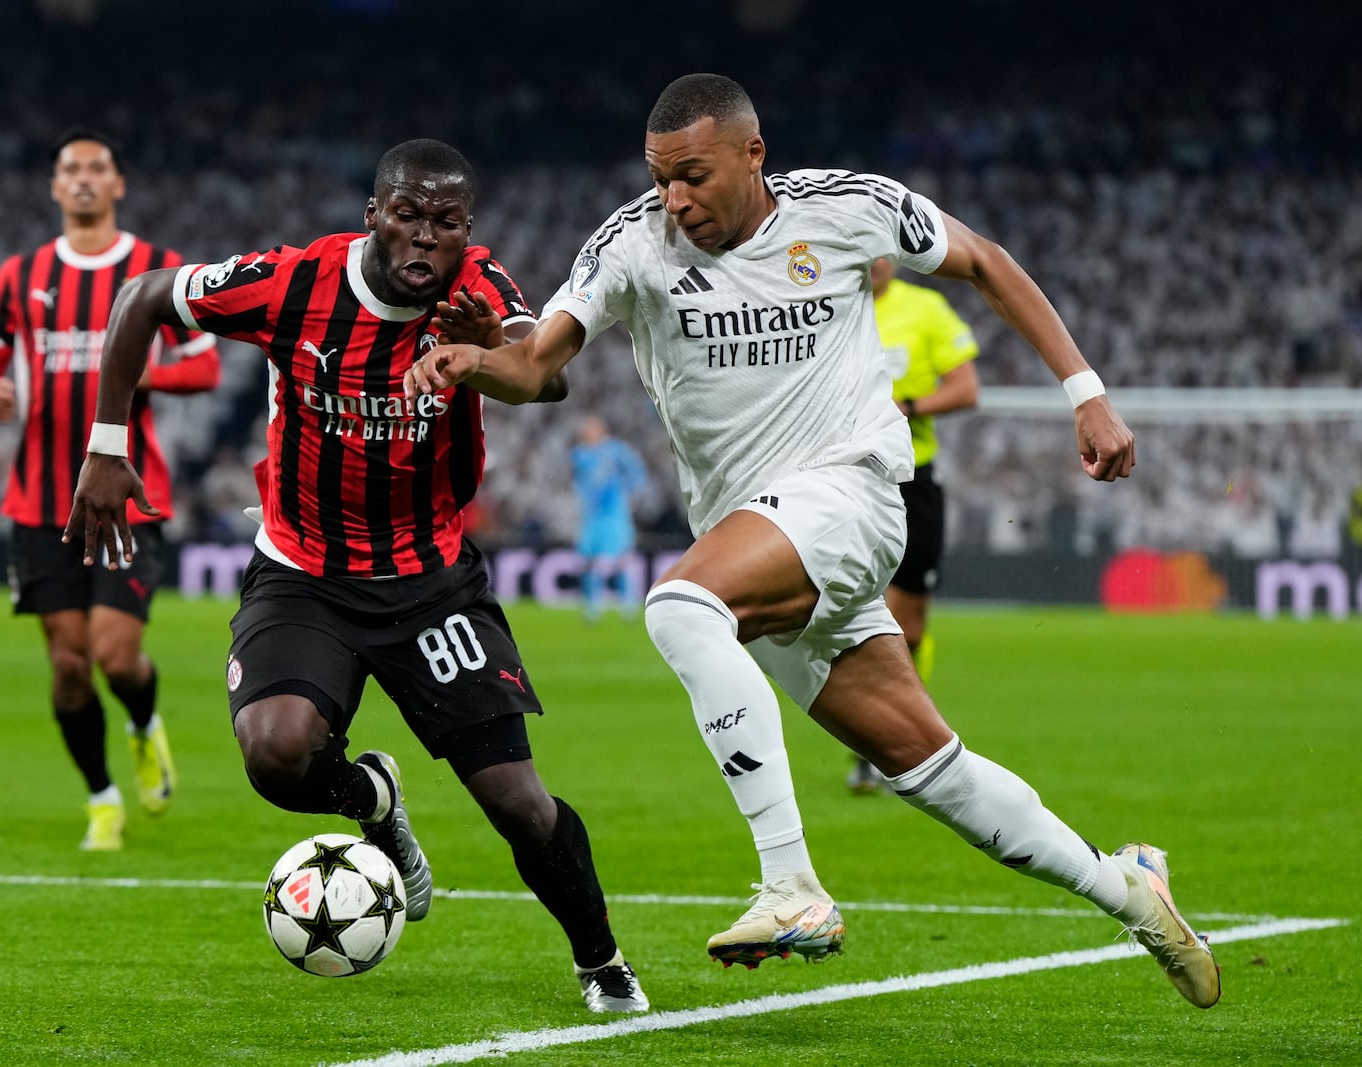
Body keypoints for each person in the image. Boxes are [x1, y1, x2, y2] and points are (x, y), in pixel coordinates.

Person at [405, 75, 1219, 1008]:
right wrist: (475, 361)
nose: (676, 199)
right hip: (758, 535)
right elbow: (537, 361)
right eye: (662, 178)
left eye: (694, 177)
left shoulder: (845, 209)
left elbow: (986, 260)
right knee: (930, 771)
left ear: (754, 155)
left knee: (679, 606)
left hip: (852, 495)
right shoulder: (633, 242)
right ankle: (1131, 889)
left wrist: (1087, 392)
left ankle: (790, 884)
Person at [63, 139, 648, 1013]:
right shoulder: (292, 283)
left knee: (518, 803)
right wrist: (106, 447)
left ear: (466, 231)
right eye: (406, 216)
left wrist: (484, 351)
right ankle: (372, 795)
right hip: (304, 572)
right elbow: (142, 296)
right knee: (276, 752)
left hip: (430, 580)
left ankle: (601, 962)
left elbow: (544, 378)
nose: (423, 239)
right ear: (374, 215)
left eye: (444, 224)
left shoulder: (479, 287)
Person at [0, 127, 221, 851]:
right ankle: (102, 798)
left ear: (118, 184)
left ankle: (143, 723)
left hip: (126, 494)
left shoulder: (158, 268)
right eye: (69, 169)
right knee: (69, 664)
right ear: (54, 187)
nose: (81, 179)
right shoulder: (19, 275)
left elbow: (203, 368)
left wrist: (149, 375)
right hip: (39, 502)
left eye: (95, 168)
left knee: (114, 656)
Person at [846, 257, 980, 795]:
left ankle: (898, 739)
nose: (874, 263)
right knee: (850, 615)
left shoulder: (926, 310)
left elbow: (967, 389)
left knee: (911, 628)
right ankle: (870, 745)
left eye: (884, 253)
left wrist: (909, 405)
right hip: (847, 478)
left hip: (913, 479)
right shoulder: (829, 303)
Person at [570, 415, 648, 622]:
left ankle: (628, 603)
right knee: (587, 560)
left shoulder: (616, 450)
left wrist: (631, 495)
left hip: (614, 514)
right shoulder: (580, 454)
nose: (587, 433)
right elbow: (579, 482)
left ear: (602, 430)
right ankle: (592, 605)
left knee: (620, 559)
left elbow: (637, 472)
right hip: (592, 516)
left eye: (591, 428)